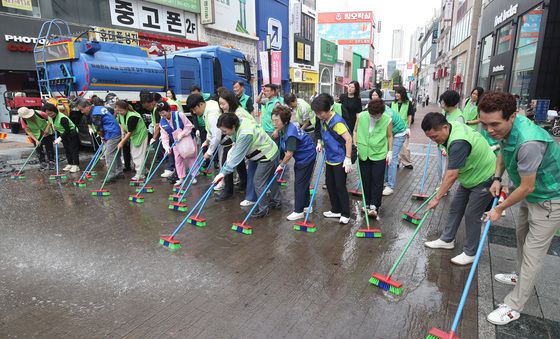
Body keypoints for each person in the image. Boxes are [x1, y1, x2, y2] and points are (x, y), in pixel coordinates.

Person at [477, 92, 560, 326]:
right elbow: (504, 150)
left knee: (533, 254)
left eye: (494, 124)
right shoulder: (506, 131)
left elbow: (526, 186)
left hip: (551, 198)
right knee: (521, 236)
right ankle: (518, 275)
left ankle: (514, 305)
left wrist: (499, 208)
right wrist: (496, 178)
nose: (489, 130)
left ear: (512, 116)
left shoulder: (529, 142)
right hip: (533, 195)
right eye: (484, 123)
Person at [422, 112, 496, 265]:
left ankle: (471, 252)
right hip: (469, 176)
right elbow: (451, 165)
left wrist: (437, 198)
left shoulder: (458, 142)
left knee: (471, 214)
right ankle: (447, 239)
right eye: (430, 138)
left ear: (444, 127)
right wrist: (443, 186)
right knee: (456, 207)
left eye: (434, 137)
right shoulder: (451, 128)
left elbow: (452, 175)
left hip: (484, 177)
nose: (434, 141)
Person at [214, 113, 281, 218]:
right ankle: (277, 201)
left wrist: (223, 173)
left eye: (225, 131)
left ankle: (263, 209)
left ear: (233, 126)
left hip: (266, 155)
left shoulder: (245, 134)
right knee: (269, 178)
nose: (224, 133)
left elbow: (237, 157)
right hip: (268, 150)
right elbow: (235, 150)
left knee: (258, 181)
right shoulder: (239, 122)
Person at [313, 94, 353, 224]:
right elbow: (323, 134)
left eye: (320, 113)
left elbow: (348, 139)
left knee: (340, 186)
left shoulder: (337, 122)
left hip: (340, 159)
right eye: (317, 113)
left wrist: (347, 158)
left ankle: (345, 213)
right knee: (330, 184)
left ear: (328, 110)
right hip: (329, 157)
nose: (318, 116)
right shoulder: (322, 119)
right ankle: (335, 209)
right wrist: (320, 142)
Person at [272, 105, 317, 221]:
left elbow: (289, 154)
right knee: (303, 181)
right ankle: (306, 206)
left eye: (277, 120)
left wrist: (281, 165)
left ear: (285, 121)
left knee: (299, 183)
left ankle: (298, 211)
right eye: (273, 120)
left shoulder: (291, 133)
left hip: (306, 157)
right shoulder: (285, 128)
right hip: (304, 156)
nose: (274, 123)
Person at [353, 98, 393, 218]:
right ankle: (366, 203)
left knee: (377, 180)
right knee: (365, 179)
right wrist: (355, 145)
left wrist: (390, 151)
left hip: (379, 153)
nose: (375, 117)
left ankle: (374, 206)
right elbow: (355, 131)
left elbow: (390, 136)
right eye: (373, 115)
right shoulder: (361, 116)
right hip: (363, 152)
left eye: (378, 115)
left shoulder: (387, 119)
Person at [216, 90, 254, 201]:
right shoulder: (230, 112)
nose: (221, 106)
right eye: (220, 104)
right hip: (237, 140)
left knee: (228, 160)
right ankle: (243, 183)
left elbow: (245, 130)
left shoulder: (239, 113)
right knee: (239, 161)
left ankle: (228, 190)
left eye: (223, 104)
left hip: (246, 140)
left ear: (230, 102)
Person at [370, 89, 407, 196]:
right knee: (385, 158)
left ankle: (390, 185)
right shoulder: (377, 108)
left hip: (399, 134)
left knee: (391, 158)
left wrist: (389, 150)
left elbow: (388, 134)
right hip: (392, 133)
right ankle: (384, 181)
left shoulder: (387, 116)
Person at [76, 99, 123, 182]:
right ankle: (119, 172)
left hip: (112, 133)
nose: (81, 112)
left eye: (82, 110)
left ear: (87, 107)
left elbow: (99, 129)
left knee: (109, 154)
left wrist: (103, 138)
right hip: (114, 131)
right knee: (115, 153)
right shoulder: (97, 108)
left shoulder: (95, 114)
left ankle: (111, 175)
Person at [156, 101, 197, 186]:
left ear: (169, 110)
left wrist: (182, 134)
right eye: (161, 114)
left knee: (191, 157)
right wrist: (166, 147)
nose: (163, 116)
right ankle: (181, 177)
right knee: (178, 160)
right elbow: (164, 136)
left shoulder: (179, 114)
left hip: (187, 139)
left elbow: (189, 126)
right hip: (175, 142)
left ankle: (194, 176)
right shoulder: (162, 122)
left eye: (164, 113)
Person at [186, 93, 223, 185]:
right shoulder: (209, 105)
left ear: (201, 104)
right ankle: (225, 184)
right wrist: (207, 141)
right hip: (224, 138)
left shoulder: (212, 114)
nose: (194, 112)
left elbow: (216, 135)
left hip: (227, 139)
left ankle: (225, 186)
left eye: (195, 109)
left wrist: (209, 152)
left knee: (225, 163)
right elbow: (210, 129)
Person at [140, 91, 175, 179]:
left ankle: (172, 169)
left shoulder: (157, 110)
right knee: (168, 151)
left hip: (168, 132)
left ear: (152, 102)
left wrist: (154, 137)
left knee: (170, 151)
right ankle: (171, 168)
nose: (148, 108)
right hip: (163, 133)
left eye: (148, 106)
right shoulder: (153, 109)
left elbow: (158, 125)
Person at [114, 100, 149, 181]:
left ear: (126, 109)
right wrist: (122, 133)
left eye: (121, 110)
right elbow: (121, 124)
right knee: (134, 154)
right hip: (133, 136)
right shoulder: (120, 115)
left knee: (138, 155)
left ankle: (140, 174)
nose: (119, 112)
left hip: (140, 135)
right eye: (117, 110)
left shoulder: (133, 116)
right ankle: (143, 170)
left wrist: (122, 142)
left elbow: (130, 132)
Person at [42, 103, 80, 173]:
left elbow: (67, 130)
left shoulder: (62, 118)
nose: (50, 115)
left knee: (73, 149)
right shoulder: (50, 117)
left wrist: (59, 138)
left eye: (51, 113)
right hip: (63, 134)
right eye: (48, 114)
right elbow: (50, 123)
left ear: (54, 110)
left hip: (72, 133)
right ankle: (70, 163)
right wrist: (50, 129)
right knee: (67, 149)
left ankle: (76, 165)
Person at [17, 107, 55, 171]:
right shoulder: (23, 120)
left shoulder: (39, 113)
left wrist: (47, 128)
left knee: (49, 147)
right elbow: (28, 131)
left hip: (46, 132)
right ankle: (42, 163)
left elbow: (50, 119)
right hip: (36, 135)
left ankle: (52, 161)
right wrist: (36, 140)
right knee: (39, 149)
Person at [391, 87, 414, 170]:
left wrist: (408, 127)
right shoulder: (393, 103)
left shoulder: (408, 103)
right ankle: (397, 161)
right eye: (396, 93)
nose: (396, 94)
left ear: (402, 94)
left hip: (404, 128)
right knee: (395, 145)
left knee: (404, 146)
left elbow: (410, 115)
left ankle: (406, 162)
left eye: (398, 93)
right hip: (394, 128)